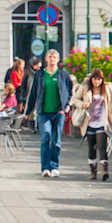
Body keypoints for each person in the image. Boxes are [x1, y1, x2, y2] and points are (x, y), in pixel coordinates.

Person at [26, 49, 74, 177]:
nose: (52, 59)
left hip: (58, 112)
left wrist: (65, 106)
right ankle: (45, 167)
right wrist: (28, 111)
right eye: (50, 57)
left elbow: (70, 91)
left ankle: (54, 166)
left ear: (58, 60)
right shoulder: (40, 74)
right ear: (46, 59)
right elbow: (33, 93)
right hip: (43, 112)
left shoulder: (63, 75)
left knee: (56, 140)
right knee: (46, 136)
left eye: (54, 57)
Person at [72, 68, 112, 181]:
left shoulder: (107, 89)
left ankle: (105, 171)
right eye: (95, 79)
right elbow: (75, 99)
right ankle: (93, 171)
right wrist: (83, 104)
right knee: (91, 147)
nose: (97, 82)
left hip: (102, 123)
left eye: (99, 79)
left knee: (102, 146)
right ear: (91, 79)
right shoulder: (85, 88)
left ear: (102, 80)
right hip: (89, 123)